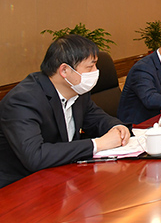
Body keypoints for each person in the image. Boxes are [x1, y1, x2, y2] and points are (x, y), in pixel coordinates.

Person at [0, 35, 130, 188]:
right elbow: (35, 156)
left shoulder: (77, 91)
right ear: (64, 70)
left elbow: (96, 118)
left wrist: (116, 127)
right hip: (19, 186)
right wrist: (97, 144)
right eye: (90, 67)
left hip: (60, 175)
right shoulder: (23, 100)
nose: (96, 72)